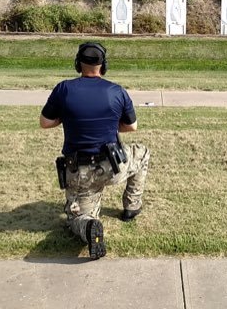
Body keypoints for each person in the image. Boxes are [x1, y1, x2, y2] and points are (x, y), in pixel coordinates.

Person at [39, 42, 150, 260]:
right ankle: (131, 206)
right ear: (103, 65)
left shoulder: (63, 89)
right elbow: (131, 126)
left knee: (77, 217)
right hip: (113, 167)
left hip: (79, 172)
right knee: (142, 153)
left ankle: (89, 226)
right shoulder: (116, 91)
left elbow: (45, 122)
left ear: (77, 64)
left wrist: (67, 119)